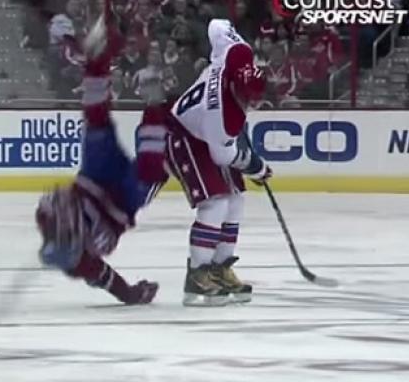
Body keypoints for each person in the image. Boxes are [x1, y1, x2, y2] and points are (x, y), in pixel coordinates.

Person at [35, 15, 163, 305]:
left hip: (95, 178)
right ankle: (155, 107)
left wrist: (65, 208)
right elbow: (113, 284)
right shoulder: (82, 264)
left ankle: (96, 66)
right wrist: (134, 294)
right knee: (151, 171)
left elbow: (59, 195)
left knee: (96, 123)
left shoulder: (46, 218)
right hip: (122, 202)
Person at [165, 19, 271, 306]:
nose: (251, 105)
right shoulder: (223, 118)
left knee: (236, 199)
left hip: (201, 128)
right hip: (183, 135)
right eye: (248, 100)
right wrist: (256, 167)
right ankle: (197, 275)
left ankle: (219, 268)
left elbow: (216, 25)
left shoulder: (238, 53)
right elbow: (222, 156)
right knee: (216, 202)